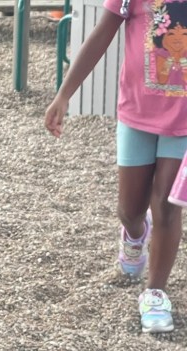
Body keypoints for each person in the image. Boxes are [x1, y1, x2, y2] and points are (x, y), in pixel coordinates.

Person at [45, 0, 187, 333]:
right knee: (129, 210)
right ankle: (135, 234)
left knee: (167, 206)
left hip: (183, 122)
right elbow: (102, 33)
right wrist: (64, 94)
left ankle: (155, 292)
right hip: (136, 114)